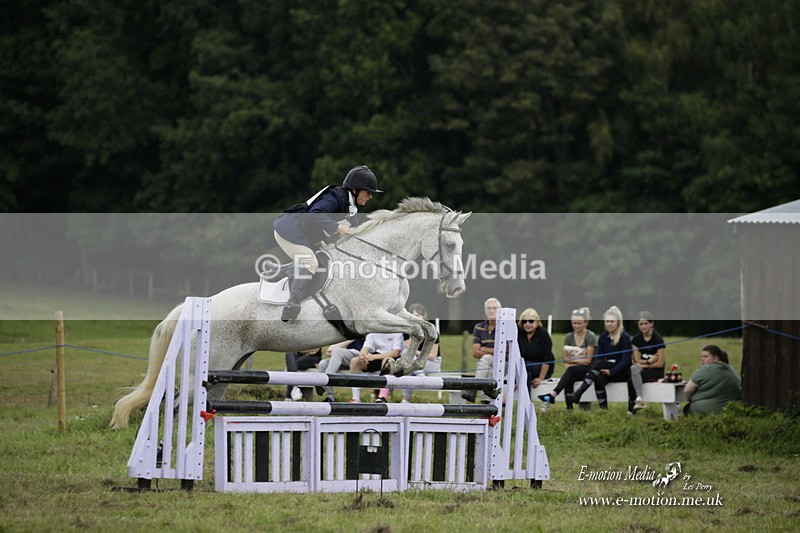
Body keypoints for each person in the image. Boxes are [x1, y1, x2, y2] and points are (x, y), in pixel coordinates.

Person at [272, 165, 382, 321]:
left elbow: (357, 234)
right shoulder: (335, 197)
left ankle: (288, 270)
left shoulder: (351, 207)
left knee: (330, 258)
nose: (370, 196)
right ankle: (292, 304)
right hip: (289, 231)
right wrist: (336, 227)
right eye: (368, 192)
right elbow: (314, 214)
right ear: (355, 189)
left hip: (306, 236)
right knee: (310, 262)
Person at [567, 306, 632, 409]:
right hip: (606, 368)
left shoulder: (625, 337)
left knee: (600, 364)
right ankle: (603, 409)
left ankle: (579, 392)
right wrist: (601, 370)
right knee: (599, 380)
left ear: (618, 322)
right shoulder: (603, 337)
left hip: (621, 371)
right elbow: (598, 357)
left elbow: (626, 361)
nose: (609, 324)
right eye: (607, 321)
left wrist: (612, 371)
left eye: (612, 321)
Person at [538, 307, 597, 410]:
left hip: (588, 370)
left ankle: (552, 395)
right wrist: (578, 360)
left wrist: (572, 361)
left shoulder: (590, 336)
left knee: (570, 370)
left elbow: (588, 360)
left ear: (585, 323)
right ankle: (569, 409)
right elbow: (564, 358)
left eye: (579, 323)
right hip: (574, 369)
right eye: (574, 323)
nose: (576, 326)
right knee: (570, 378)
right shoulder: (569, 337)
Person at [401, 303, 442, 403]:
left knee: (409, 363)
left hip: (431, 363)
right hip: (415, 363)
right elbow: (408, 351)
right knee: (408, 365)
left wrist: (416, 352)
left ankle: (406, 399)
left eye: (418, 315)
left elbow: (432, 356)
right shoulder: (407, 332)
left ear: (424, 316)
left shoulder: (432, 332)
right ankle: (419, 376)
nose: (416, 318)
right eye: (413, 316)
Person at [683, 345, 741, 415]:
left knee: (687, 409)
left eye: (706, 356)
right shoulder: (730, 369)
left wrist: (690, 399)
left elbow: (687, 391)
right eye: (702, 357)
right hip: (733, 409)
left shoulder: (704, 369)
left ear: (716, 357)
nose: (702, 359)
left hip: (707, 410)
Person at [462, 297, 500, 403]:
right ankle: (485, 403)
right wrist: (492, 350)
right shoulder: (479, 327)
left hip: (503, 364)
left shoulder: (504, 327)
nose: (491, 311)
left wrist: (483, 349)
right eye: (489, 308)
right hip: (485, 364)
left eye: (494, 308)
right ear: (485, 311)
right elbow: (475, 352)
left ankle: (473, 389)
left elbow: (504, 351)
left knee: (486, 359)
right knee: (487, 366)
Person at [627, 311, 666, 413]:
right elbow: (636, 360)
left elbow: (660, 363)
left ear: (652, 323)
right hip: (644, 367)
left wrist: (645, 363)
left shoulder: (658, 340)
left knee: (632, 378)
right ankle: (639, 399)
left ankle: (631, 409)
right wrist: (649, 361)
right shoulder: (635, 339)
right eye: (640, 324)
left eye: (646, 323)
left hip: (656, 371)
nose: (643, 326)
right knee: (633, 369)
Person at [348, 332, 404, 403]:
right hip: (376, 357)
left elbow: (395, 353)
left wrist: (373, 357)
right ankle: (355, 398)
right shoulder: (372, 332)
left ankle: (382, 397)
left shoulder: (397, 332)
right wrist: (362, 356)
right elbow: (364, 349)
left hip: (393, 359)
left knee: (387, 361)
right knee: (355, 361)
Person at [517, 308, 554, 390]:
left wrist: (541, 378)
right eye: (524, 321)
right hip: (525, 368)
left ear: (537, 322)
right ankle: (526, 402)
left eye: (531, 321)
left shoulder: (543, 334)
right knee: (527, 374)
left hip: (542, 368)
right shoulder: (519, 333)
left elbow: (548, 358)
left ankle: (509, 393)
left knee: (524, 368)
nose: (527, 324)